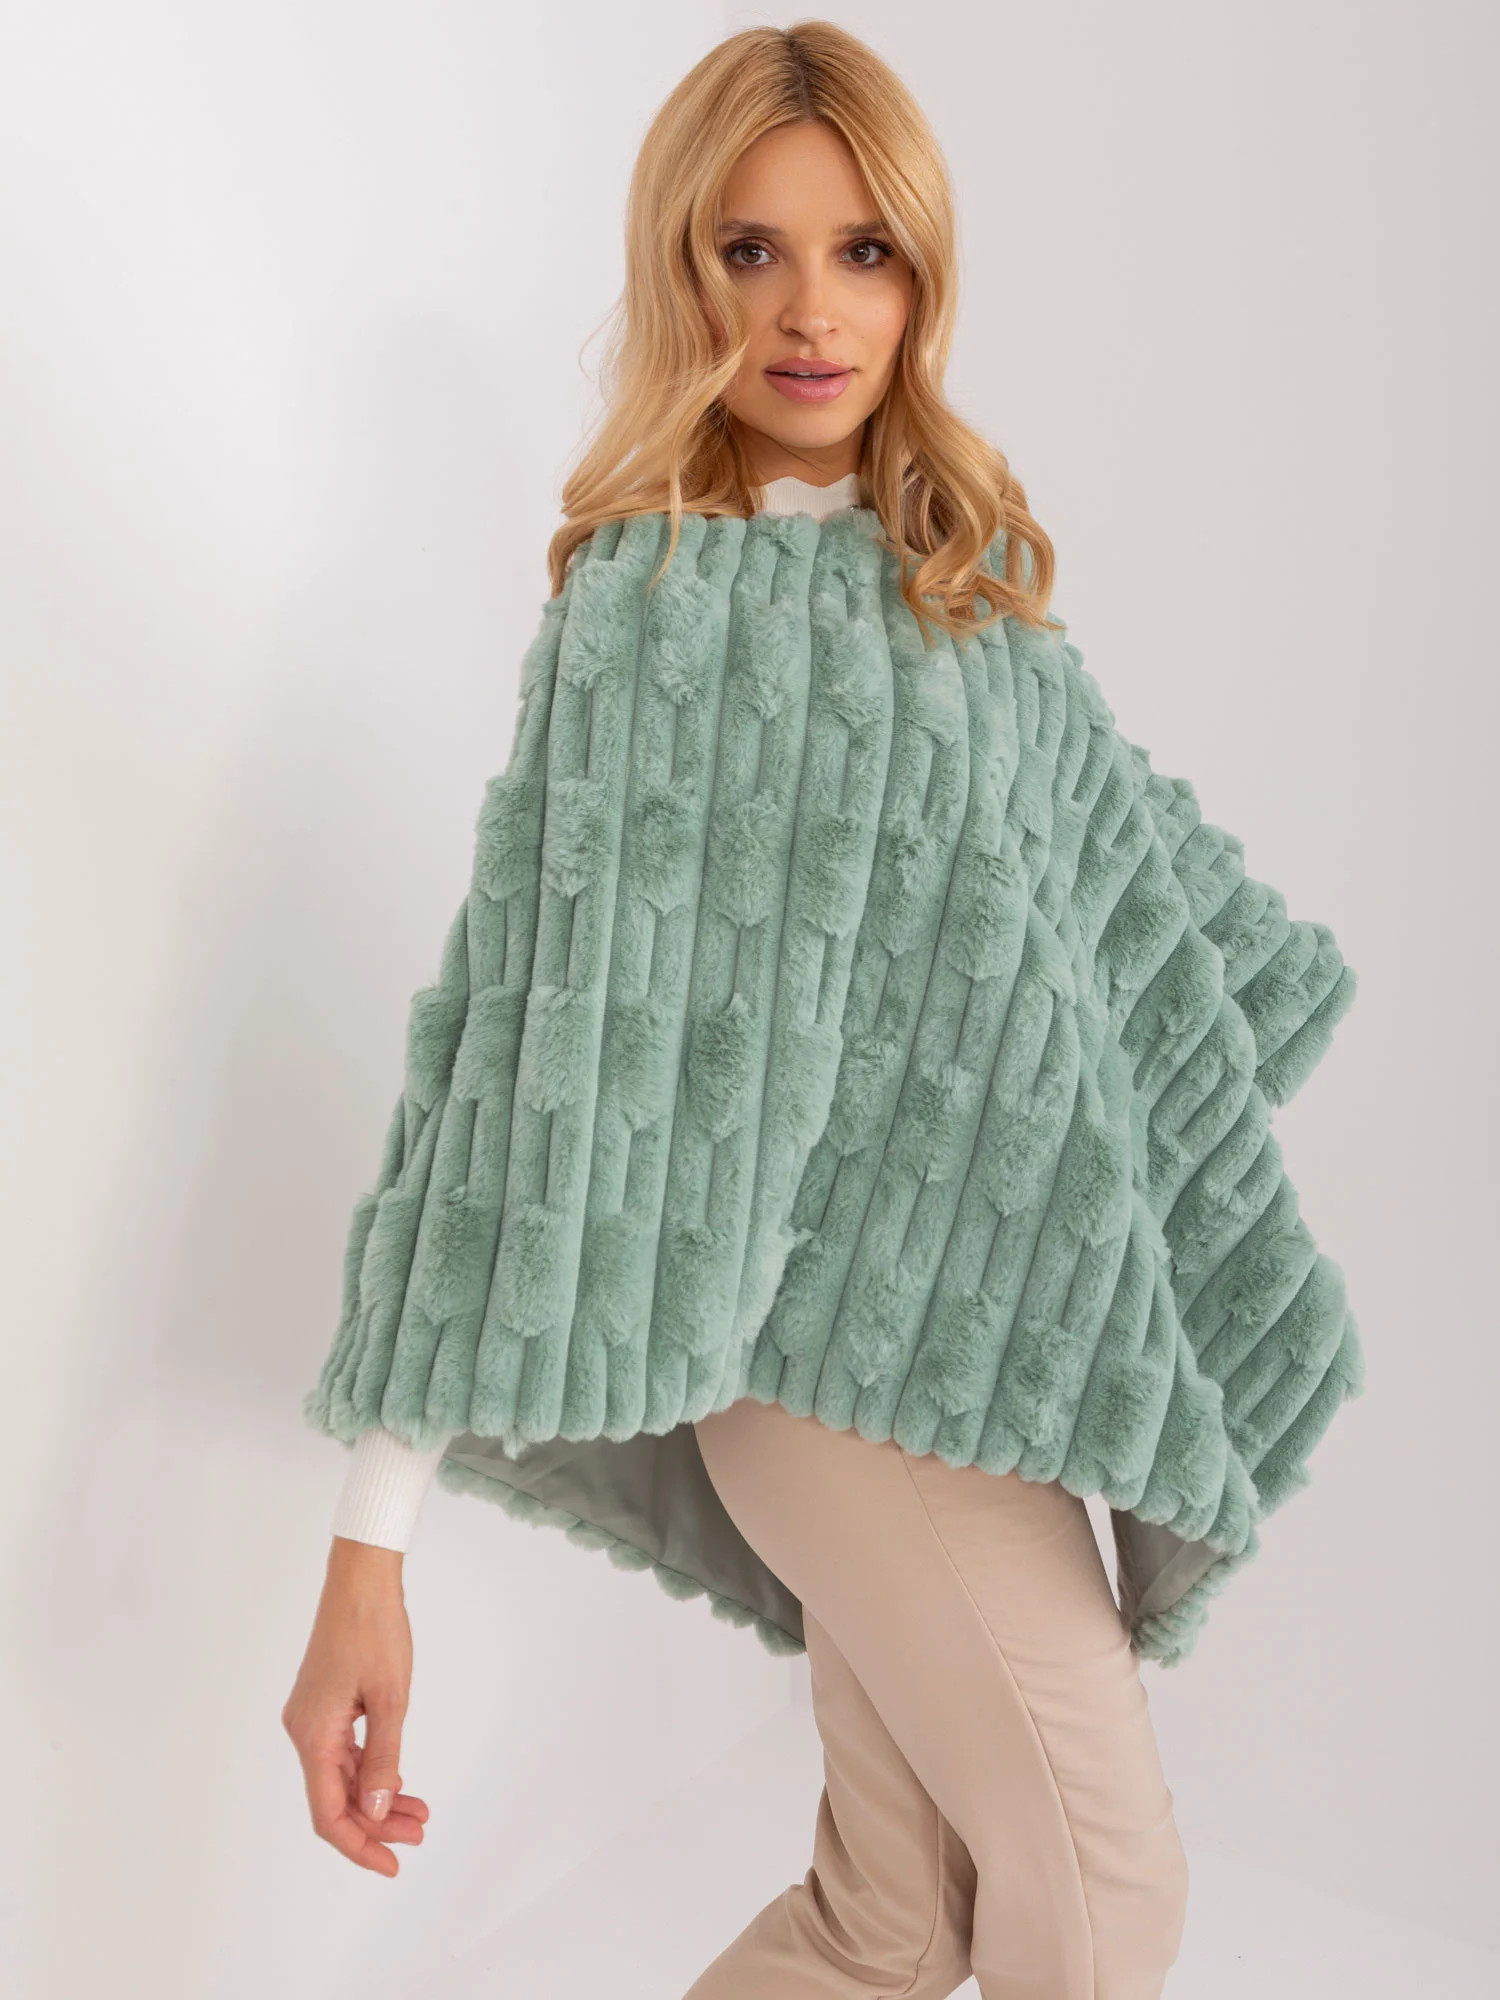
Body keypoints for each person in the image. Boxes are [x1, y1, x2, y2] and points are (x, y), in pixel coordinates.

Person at [283, 22, 1363, 1998]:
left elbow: (1111, 944)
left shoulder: (965, 588)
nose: (810, 310)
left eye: (863, 251)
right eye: (751, 250)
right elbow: (523, 1071)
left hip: (995, 1353)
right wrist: (373, 1544)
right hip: (826, 1383)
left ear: (923, 276)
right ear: (680, 272)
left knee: (894, 1919)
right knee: (1108, 1889)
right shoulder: (648, 617)